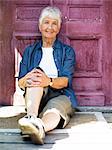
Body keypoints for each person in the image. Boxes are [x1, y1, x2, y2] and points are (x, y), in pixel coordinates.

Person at [18, 6, 77, 145]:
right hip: (35, 94)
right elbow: (21, 83)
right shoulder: (29, 51)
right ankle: (32, 118)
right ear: (40, 26)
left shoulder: (67, 51)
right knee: (35, 78)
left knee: (55, 109)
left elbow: (66, 81)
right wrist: (28, 78)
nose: (50, 27)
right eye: (46, 22)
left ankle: (38, 128)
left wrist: (48, 81)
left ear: (58, 28)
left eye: (54, 23)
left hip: (61, 93)